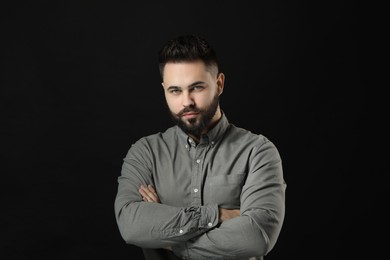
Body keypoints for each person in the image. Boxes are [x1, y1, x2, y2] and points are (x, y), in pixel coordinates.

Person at [114, 34, 286, 260]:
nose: (186, 102)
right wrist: (217, 215)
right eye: (175, 90)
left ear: (219, 84)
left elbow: (256, 237)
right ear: (164, 90)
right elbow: (131, 226)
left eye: (196, 88)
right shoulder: (145, 153)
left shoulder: (258, 152)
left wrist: (169, 241)